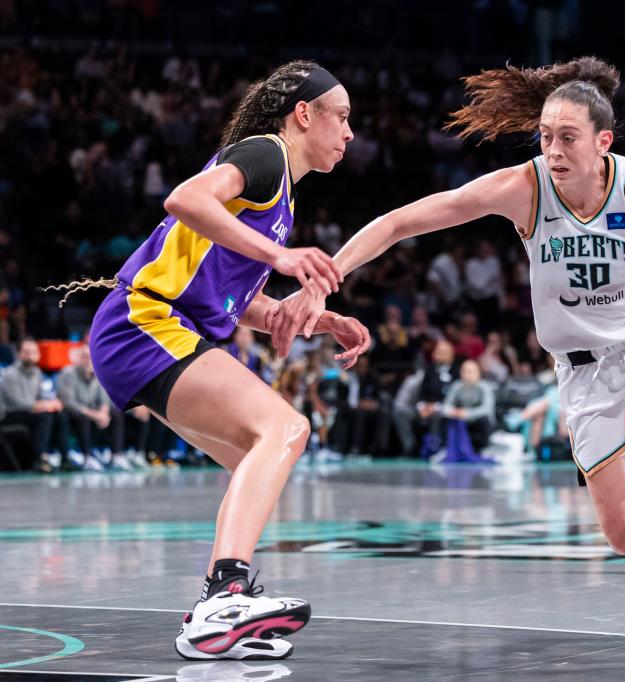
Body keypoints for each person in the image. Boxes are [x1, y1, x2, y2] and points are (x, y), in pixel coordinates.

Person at [269, 57, 625, 667]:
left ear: (602, 141)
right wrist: (324, 281)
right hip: (583, 371)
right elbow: (403, 221)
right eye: (546, 136)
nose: (553, 149)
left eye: (568, 138)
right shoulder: (523, 188)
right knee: (624, 536)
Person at [51, 61, 370, 661]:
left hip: (158, 328)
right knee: (285, 427)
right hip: (143, 323)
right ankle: (224, 594)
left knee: (258, 456)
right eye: (343, 118)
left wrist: (308, 317)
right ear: (306, 113)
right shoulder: (264, 154)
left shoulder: (282, 198)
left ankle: (220, 615)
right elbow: (185, 198)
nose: (350, 133)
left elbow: (228, 294)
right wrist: (280, 256)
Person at [0, 338, 70, 471]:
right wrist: (44, 406)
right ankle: (40, 458)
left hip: (29, 413)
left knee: (59, 414)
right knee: (45, 416)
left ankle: (65, 458)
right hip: (9, 415)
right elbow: (18, 403)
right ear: (19, 354)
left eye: (33, 352)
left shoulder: (37, 373)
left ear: (38, 355)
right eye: (26, 352)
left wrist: (53, 403)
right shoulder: (10, 374)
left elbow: (41, 396)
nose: (30, 356)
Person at [57, 345, 130, 470]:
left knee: (115, 414)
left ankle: (116, 455)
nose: (88, 360)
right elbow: (69, 402)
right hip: (72, 413)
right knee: (82, 417)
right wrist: (95, 415)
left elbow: (105, 398)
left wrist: (103, 413)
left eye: (90, 357)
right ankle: (87, 457)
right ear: (77, 359)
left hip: (92, 412)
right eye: (84, 357)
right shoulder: (67, 373)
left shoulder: (98, 372)